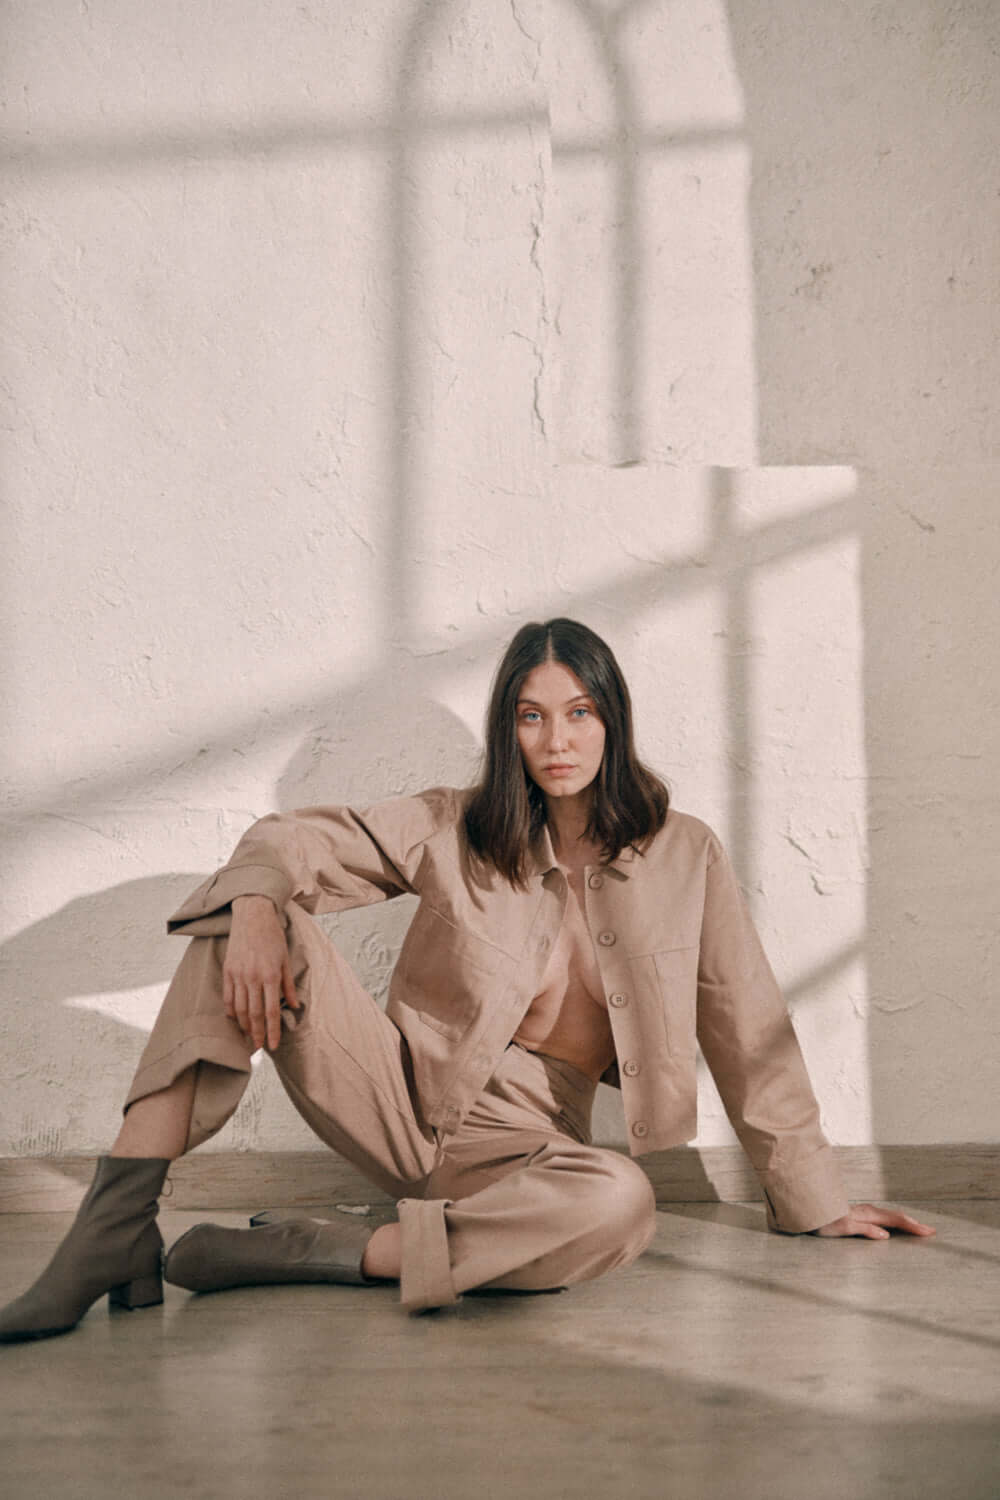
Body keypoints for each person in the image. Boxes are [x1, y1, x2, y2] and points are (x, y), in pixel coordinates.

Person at [0, 618, 934, 1343]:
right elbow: (294, 840)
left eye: (579, 712)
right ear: (508, 729)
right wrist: (253, 907)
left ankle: (317, 1252)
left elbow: (746, 1022)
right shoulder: (455, 825)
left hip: (525, 1148)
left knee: (621, 1201)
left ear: (612, 718)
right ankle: (114, 1228)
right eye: (531, 715)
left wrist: (813, 1198)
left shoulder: (684, 854)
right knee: (248, 914)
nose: (556, 739)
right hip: (396, 1096)